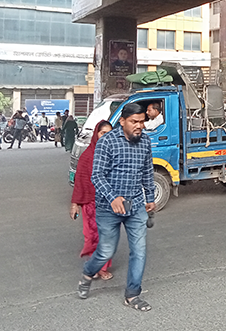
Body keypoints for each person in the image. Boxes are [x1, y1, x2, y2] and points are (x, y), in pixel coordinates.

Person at [78, 103, 156, 312]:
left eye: (141, 121)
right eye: (134, 122)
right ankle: (87, 275)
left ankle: (132, 295)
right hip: (108, 208)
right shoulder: (107, 142)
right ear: (122, 122)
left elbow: (147, 171)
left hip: (136, 205)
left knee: (139, 251)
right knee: (105, 251)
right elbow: (97, 175)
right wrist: (113, 198)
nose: (139, 126)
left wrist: (150, 197)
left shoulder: (145, 142)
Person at [71, 121, 114, 281]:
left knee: (107, 236)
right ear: (96, 134)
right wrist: (75, 204)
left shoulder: (114, 154)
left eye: (109, 134)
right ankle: (95, 265)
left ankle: (101, 267)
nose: (106, 137)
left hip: (109, 203)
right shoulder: (87, 156)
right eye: (103, 133)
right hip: (90, 204)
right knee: (92, 236)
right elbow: (80, 182)